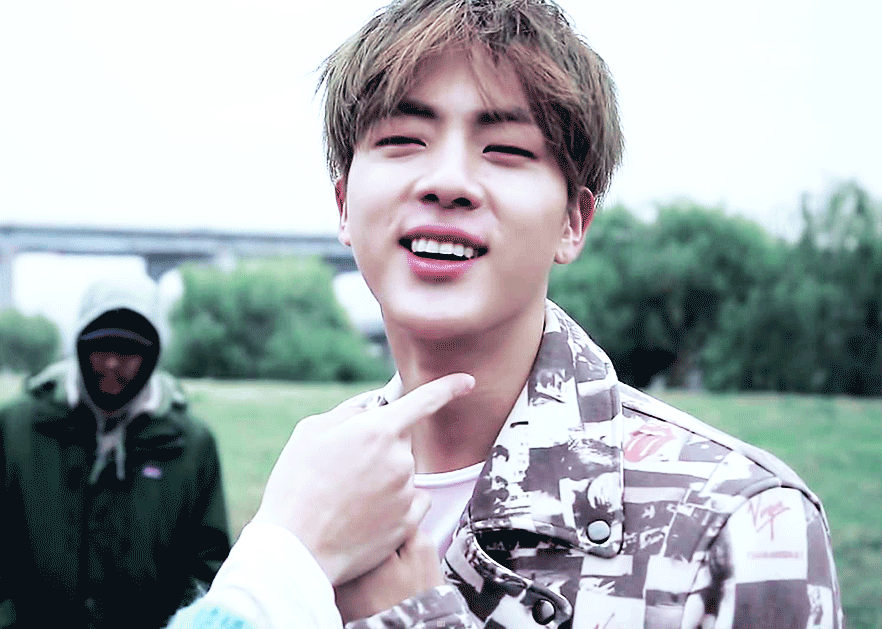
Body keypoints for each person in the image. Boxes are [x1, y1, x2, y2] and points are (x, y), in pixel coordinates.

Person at [179, 0, 845, 627]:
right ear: (344, 204)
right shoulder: (310, 485)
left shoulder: (738, 523)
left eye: (507, 150)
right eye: (403, 138)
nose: (448, 181)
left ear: (574, 221)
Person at [0, 275, 231, 629]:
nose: (111, 363)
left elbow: (208, 566)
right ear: (79, 347)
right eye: (101, 347)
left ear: (152, 355)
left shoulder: (190, 444)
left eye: (127, 351)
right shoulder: (18, 427)